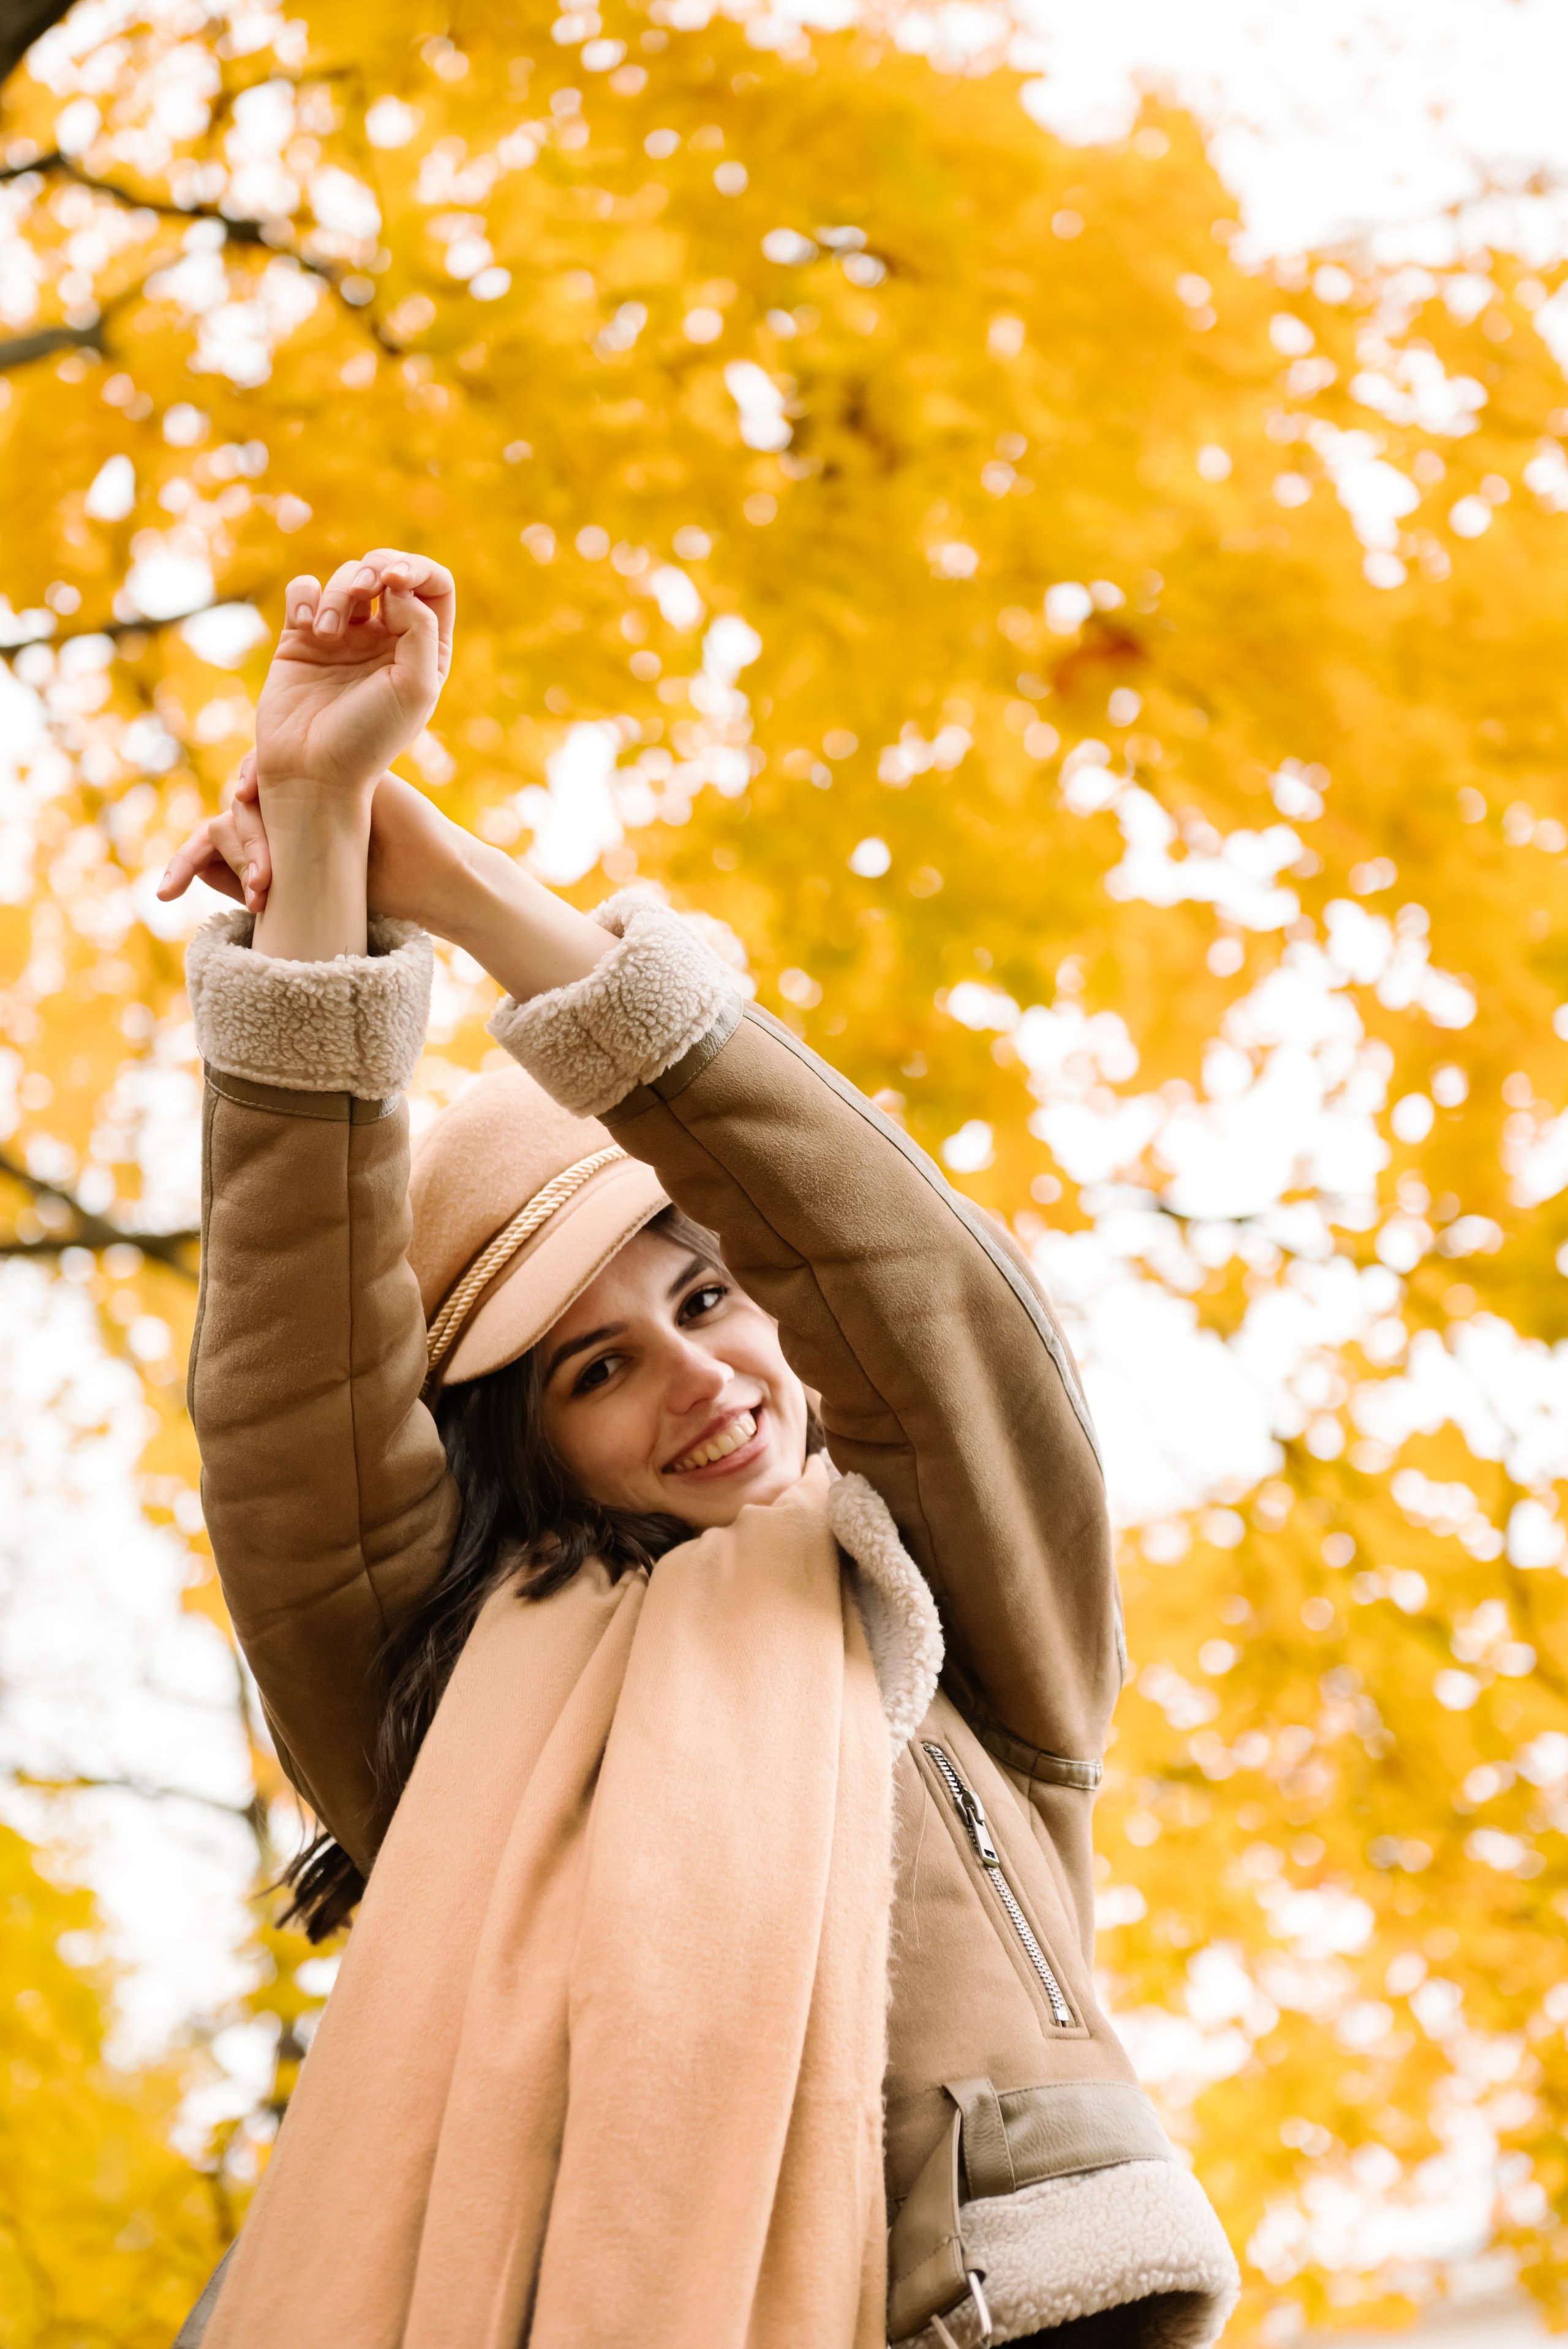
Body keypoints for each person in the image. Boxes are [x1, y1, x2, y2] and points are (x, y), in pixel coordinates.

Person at [161, 548, 1238, 2349]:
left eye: (715, 1293)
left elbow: (918, 1297)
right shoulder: (448, 1715)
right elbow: (295, 1411)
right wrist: (325, 852)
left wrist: (463, 885)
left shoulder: (950, 1604)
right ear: (538, 1446)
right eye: (598, 1362)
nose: (704, 1373)